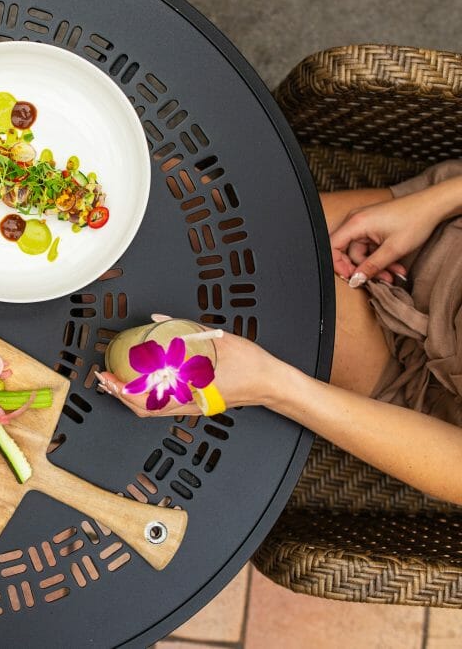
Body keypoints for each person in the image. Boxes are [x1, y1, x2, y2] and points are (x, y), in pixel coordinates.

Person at [98, 164, 462, 505]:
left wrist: (273, 386)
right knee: (178, 198)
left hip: (421, 389)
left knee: (218, 306)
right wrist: (438, 200)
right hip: (441, 239)